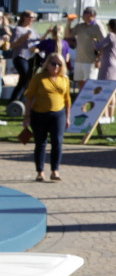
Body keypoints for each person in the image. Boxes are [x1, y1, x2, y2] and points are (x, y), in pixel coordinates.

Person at [24, 54, 70, 182]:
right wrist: (27, 116)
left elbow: (67, 99)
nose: (56, 67)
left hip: (58, 114)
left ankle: (55, 170)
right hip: (39, 114)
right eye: (53, 64)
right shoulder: (39, 78)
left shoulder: (64, 79)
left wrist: (67, 117)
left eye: (59, 64)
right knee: (40, 143)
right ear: (47, 64)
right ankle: (40, 171)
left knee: (57, 142)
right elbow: (29, 98)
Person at [6, 11, 38, 103]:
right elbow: (13, 45)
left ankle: (19, 99)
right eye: (31, 17)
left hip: (31, 58)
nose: (33, 19)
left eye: (34, 17)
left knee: (27, 79)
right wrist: (23, 38)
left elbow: (38, 41)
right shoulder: (18, 29)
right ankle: (15, 99)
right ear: (25, 17)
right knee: (25, 76)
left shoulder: (33, 30)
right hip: (20, 56)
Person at [68, 7, 104, 81]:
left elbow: (104, 45)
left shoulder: (98, 27)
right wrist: (69, 23)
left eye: (85, 13)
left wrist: (99, 59)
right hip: (79, 61)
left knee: (90, 86)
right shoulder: (80, 26)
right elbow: (67, 35)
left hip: (91, 62)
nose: (83, 15)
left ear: (92, 15)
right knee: (80, 83)